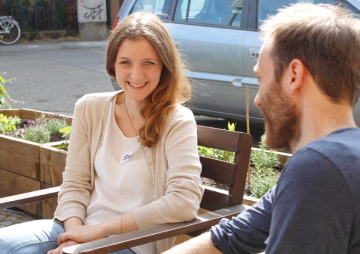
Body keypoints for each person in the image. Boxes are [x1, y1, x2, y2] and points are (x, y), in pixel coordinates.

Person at [163, 3, 360, 254]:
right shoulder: (338, 161)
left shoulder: (319, 168)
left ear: (293, 76)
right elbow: (232, 237)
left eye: (260, 79)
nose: (257, 100)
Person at [0, 12, 204, 254]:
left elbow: (184, 202)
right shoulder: (90, 108)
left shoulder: (176, 120)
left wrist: (98, 232)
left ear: (164, 67)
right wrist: (74, 238)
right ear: (112, 65)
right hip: (79, 228)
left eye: (149, 63)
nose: (136, 75)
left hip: (132, 244)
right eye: (125, 62)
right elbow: (75, 183)